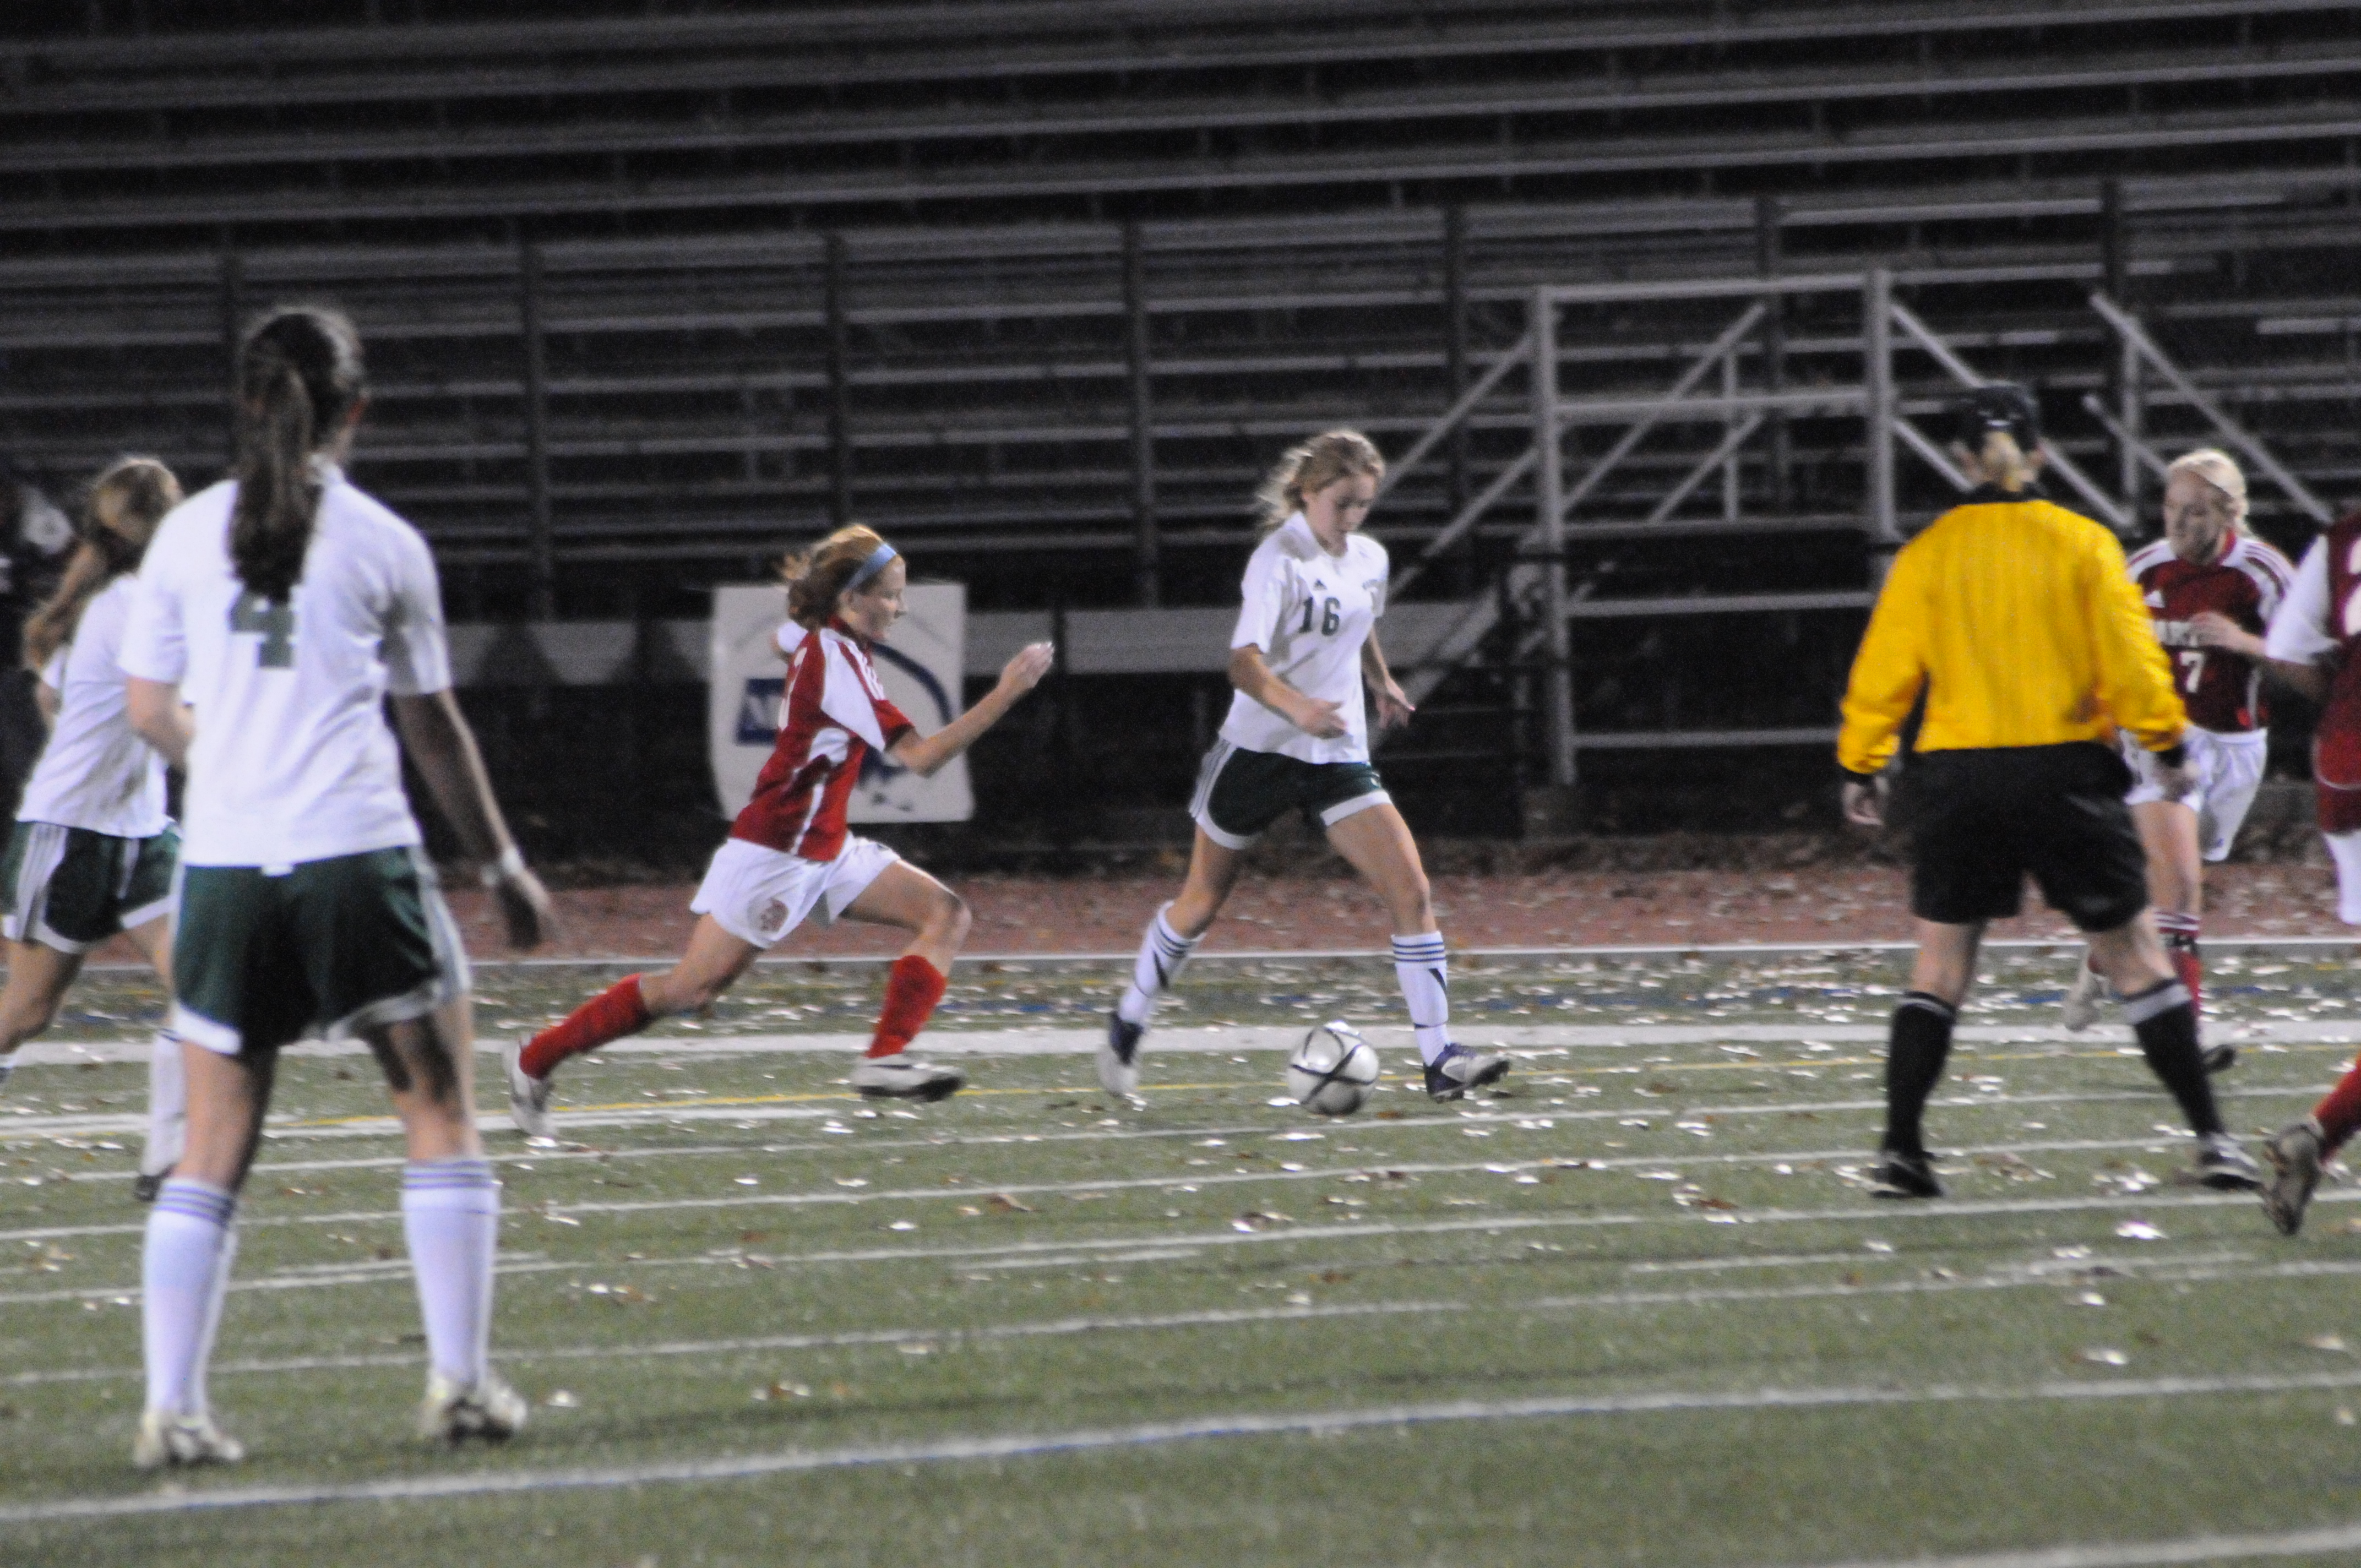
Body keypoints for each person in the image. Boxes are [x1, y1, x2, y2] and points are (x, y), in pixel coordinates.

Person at [118, 306, 554, 1468]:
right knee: (438, 1112)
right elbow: (433, 727)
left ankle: (173, 1409)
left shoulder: (183, 535)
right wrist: (503, 866)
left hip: (224, 867)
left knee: (211, 1145)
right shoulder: (383, 541)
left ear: (244, 402)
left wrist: (233, 762)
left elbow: (148, 707)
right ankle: (459, 1385)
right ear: (355, 410)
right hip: (356, 857)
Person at [1837, 384, 2257, 1199]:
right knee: (2137, 958)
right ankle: (2215, 1142)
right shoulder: (2083, 543)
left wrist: (1862, 762)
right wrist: (2165, 743)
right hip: (2064, 772)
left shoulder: (1928, 554)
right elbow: (2132, 662)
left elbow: (1884, 671)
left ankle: (1901, 1153)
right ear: (2038, 454)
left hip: (1959, 777)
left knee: (1939, 970)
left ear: (1962, 459)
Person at [505, 524, 1051, 1130]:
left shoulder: (826, 638)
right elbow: (922, 758)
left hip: (825, 846)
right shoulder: (838, 659)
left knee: (945, 914)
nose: (900, 607)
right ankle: (535, 1058)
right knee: (690, 991)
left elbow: (781, 638)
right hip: (777, 850)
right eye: (891, 594)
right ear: (852, 598)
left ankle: (885, 1058)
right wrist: (1007, 692)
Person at [1100, 429, 1509, 1102]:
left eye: (1363, 504)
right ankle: (1129, 1019)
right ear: (1307, 492)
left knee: (1410, 888)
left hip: (1335, 754)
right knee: (1200, 903)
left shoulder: (1368, 557)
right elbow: (1243, 662)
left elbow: (1359, 616)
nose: (1352, 517)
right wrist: (1297, 708)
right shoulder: (1278, 558)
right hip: (1257, 752)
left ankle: (1440, 1058)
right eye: (1342, 502)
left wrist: (1379, 678)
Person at [2061, 449, 2294, 1061]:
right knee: (2182, 890)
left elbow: (2310, 657)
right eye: (2171, 508)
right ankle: (2182, 1041)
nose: (2179, 524)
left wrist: (2244, 642)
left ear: (2228, 513)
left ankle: (2102, 957)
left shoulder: (2261, 570)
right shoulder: (2146, 569)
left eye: (2195, 512)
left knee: (2166, 886)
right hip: (2162, 742)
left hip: (2236, 746)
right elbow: (2098, 644)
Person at [0, 457, 188, 1204]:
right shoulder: (140, 605)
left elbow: (53, 694)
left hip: (141, 834)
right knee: (25, 1013)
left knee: (206, 983)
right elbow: (161, 714)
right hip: (72, 834)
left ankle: (168, 1160)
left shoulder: (113, 600)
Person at [2251, 505, 2361, 1233]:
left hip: (2347, 770)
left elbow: (2288, 651)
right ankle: (2319, 1135)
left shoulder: (2343, 536)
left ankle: (2317, 1139)